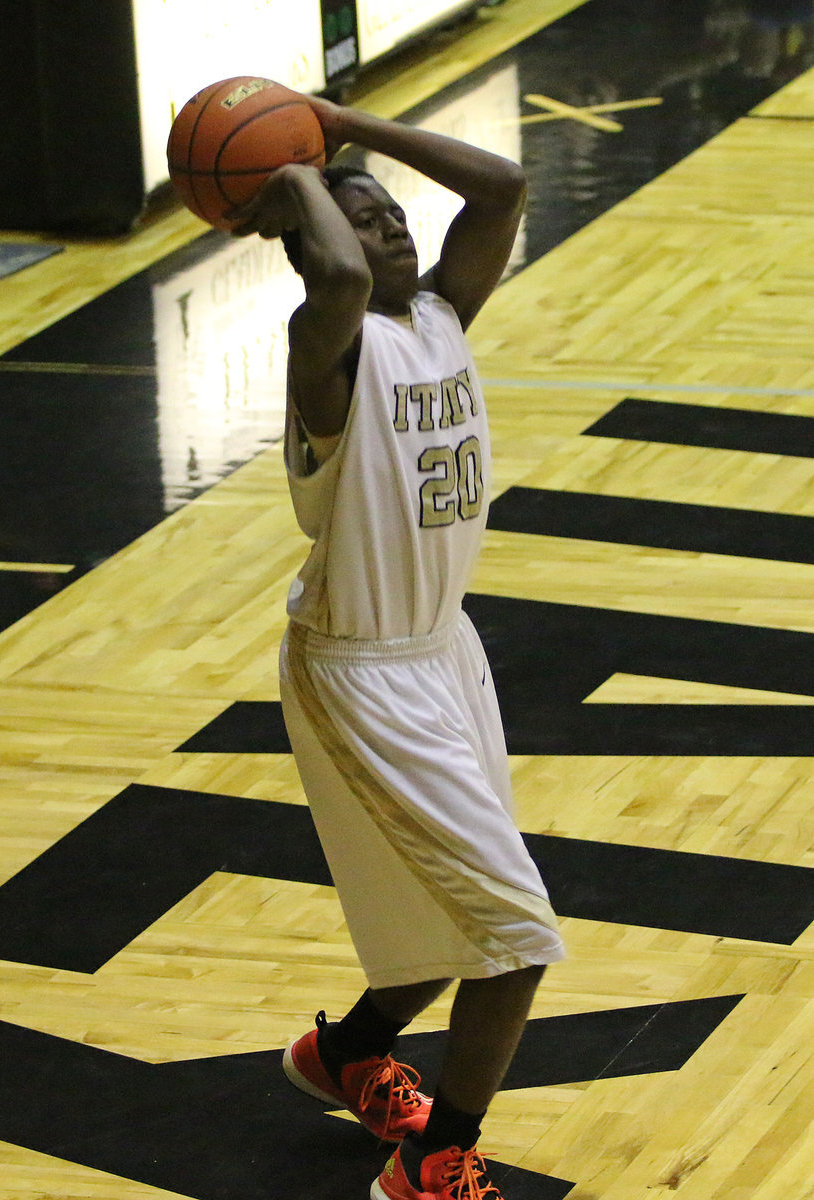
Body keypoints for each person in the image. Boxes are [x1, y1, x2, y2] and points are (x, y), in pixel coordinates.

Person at [230, 96, 565, 1200]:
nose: (393, 232)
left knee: (446, 909)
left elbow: (502, 189)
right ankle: (434, 1160)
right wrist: (297, 189)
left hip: (442, 653)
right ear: (315, 232)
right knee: (510, 936)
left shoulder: (437, 318)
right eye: (363, 220)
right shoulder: (326, 351)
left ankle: (349, 1054)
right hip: (361, 670)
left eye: (392, 215)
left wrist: (333, 119)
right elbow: (328, 277)